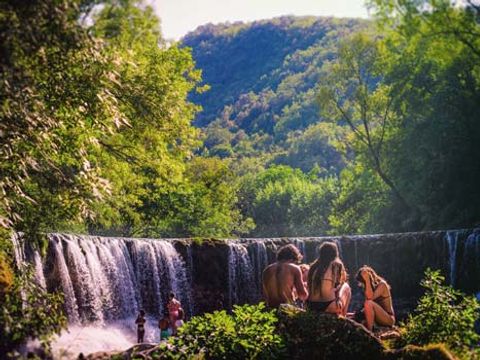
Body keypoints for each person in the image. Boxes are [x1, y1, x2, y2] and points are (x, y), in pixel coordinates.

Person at [307, 241, 351, 316]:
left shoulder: (313, 266)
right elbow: (341, 283)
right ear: (335, 253)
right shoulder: (336, 265)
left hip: (311, 305)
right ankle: (343, 317)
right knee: (347, 287)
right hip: (329, 305)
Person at [356, 266, 395, 331]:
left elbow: (369, 298)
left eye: (362, 282)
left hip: (388, 318)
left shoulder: (382, 285)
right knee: (352, 316)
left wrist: (367, 279)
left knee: (368, 303)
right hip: (378, 318)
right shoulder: (369, 289)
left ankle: (369, 333)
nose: (361, 285)